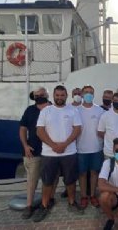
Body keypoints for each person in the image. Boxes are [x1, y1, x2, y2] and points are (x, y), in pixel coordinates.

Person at [34, 85, 84, 222]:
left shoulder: (73, 110)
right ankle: (44, 206)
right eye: (57, 95)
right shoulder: (46, 111)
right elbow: (40, 131)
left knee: (70, 180)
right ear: (53, 96)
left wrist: (64, 144)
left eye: (62, 95)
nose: (60, 98)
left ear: (66, 96)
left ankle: (72, 202)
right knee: (47, 181)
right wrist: (53, 145)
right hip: (49, 154)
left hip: (69, 152)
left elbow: (77, 130)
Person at [18, 87, 49, 219]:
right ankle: (29, 206)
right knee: (32, 180)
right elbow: (23, 129)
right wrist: (25, 145)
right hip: (34, 151)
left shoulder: (53, 109)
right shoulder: (30, 110)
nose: (39, 96)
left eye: (42, 94)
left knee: (49, 180)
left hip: (50, 152)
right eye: (36, 95)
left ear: (47, 94)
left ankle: (47, 201)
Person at [76, 85, 105, 208]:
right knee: (82, 174)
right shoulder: (76, 110)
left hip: (96, 148)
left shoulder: (100, 110)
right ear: (82, 95)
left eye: (91, 92)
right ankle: (83, 196)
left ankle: (92, 195)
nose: (88, 94)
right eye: (86, 92)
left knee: (94, 173)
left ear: (93, 95)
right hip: (81, 148)